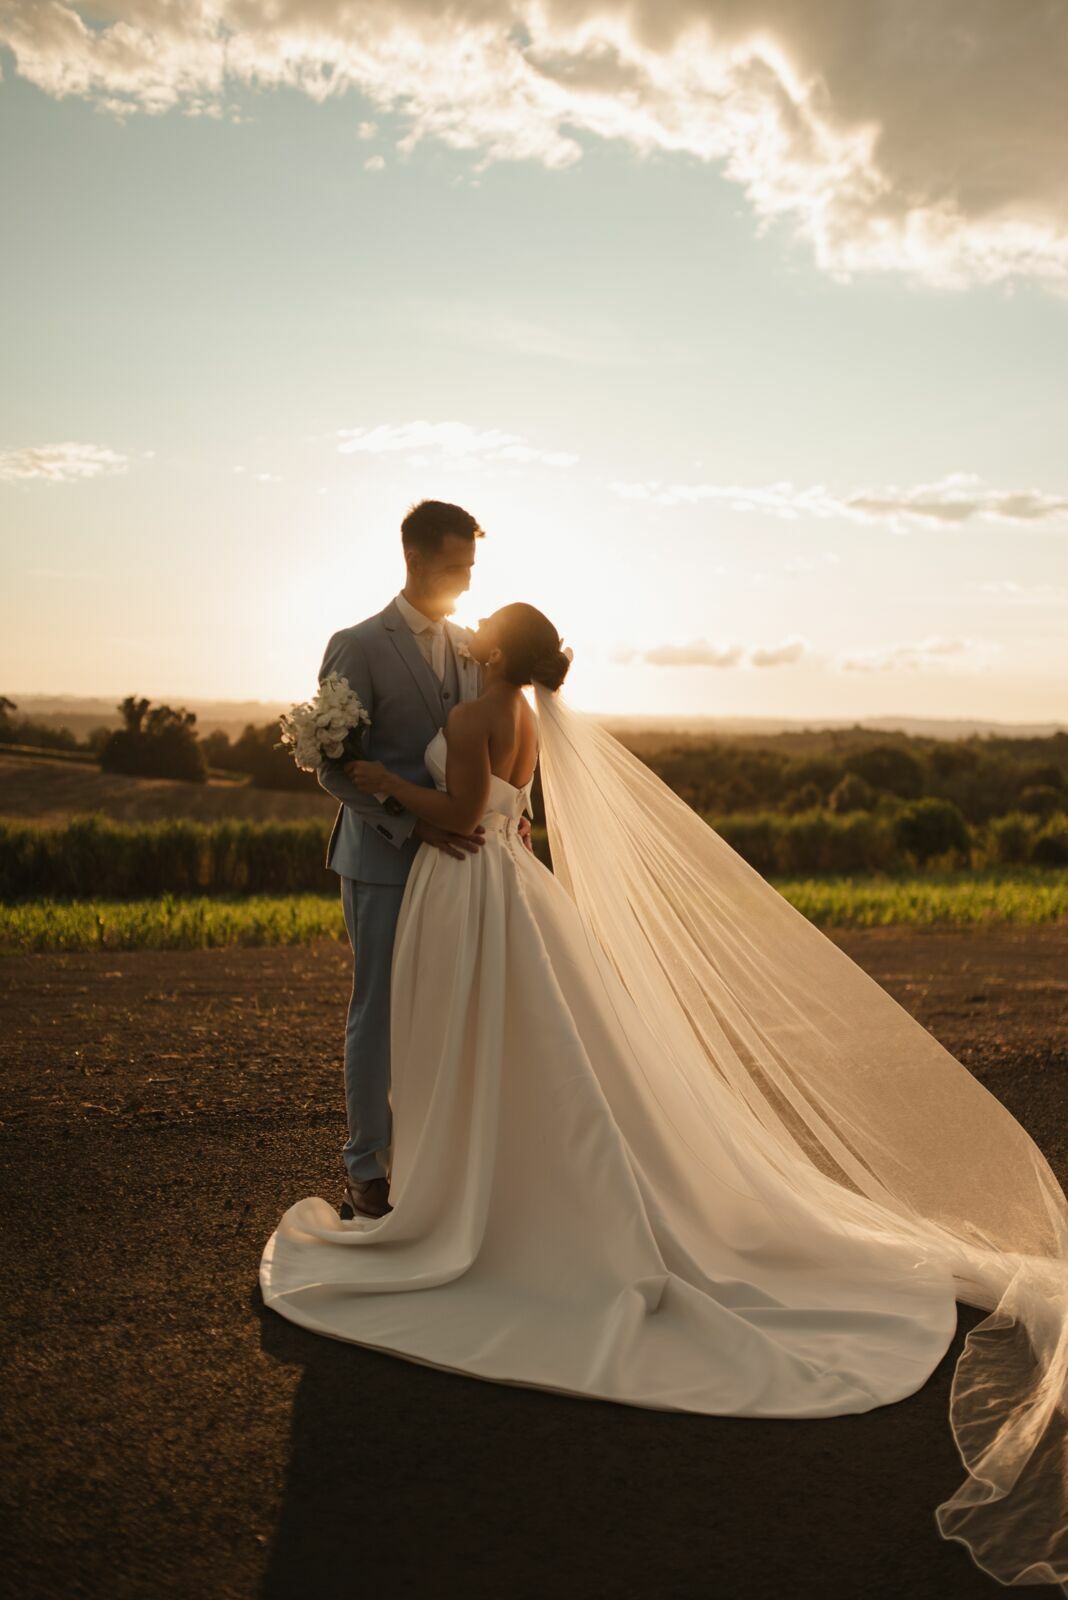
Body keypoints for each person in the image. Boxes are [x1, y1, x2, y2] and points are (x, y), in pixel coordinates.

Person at [262, 612, 1067, 1592]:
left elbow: (461, 813)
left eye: (485, 626)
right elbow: (517, 816)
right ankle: (506, 1173)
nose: (468, 631)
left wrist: (384, 784)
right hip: (519, 885)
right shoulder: (521, 712)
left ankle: (479, 1197)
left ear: (497, 652)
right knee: (536, 1054)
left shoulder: (477, 713)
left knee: (475, 1049)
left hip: (469, 891)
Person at [313, 500, 533, 1222]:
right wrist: (414, 824)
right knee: (377, 1012)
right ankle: (367, 1171)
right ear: (412, 559)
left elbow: (502, 750)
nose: (466, 583)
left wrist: (512, 817)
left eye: (472, 568)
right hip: (382, 859)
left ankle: (437, 1162)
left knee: (449, 1014)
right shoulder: (357, 644)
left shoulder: (477, 646)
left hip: (464, 866)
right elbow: (334, 767)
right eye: (453, 567)